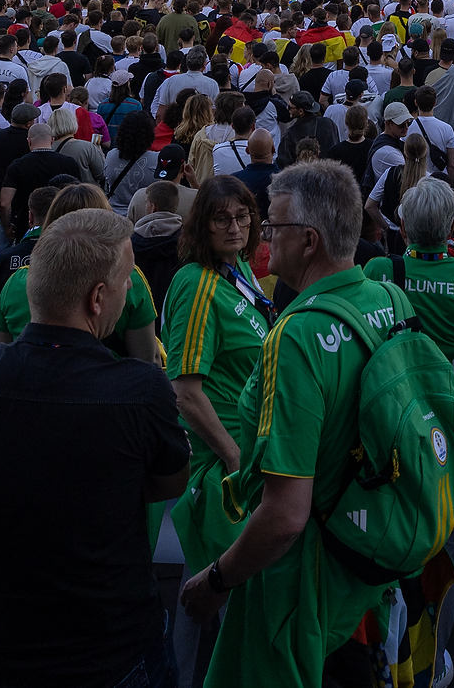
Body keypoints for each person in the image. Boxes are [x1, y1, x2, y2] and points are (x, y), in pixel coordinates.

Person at [180, 159, 418, 688]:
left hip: (308, 587)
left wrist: (217, 579)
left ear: (309, 241)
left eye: (273, 225)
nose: (263, 236)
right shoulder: (391, 298)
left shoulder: (297, 337)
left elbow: (287, 515)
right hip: (373, 558)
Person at [0, 209, 188, 688]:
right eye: (126, 281)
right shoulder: (138, 391)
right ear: (97, 298)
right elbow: (169, 481)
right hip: (110, 652)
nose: (130, 290)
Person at [366, 177, 454, 686]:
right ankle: (434, 660)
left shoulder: (381, 271)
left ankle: (390, 656)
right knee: (448, 550)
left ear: (402, 226)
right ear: (451, 227)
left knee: (389, 541)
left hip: (395, 431)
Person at [162, 175, 274, 686]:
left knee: (207, 583)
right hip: (222, 464)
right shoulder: (197, 284)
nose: (234, 226)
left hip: (243, 455)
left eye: (242, 216)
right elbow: (186, 390)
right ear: (201, 226)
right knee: (232, 596)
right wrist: (233, 458)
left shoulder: (238, 271)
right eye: (221, 218)